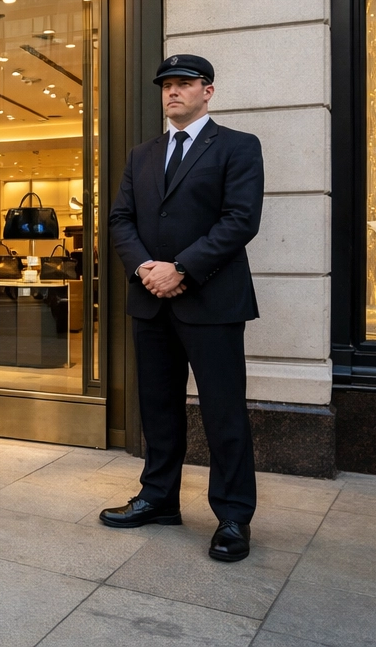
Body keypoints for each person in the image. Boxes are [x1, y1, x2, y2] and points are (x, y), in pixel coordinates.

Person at [103, 54, 265, 564]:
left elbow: (241, 220)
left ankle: (233, 516)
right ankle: (158, 498)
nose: (173, 92)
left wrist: (183, 269)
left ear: (208, 91)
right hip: (150, 302)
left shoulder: (238, 147)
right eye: (167, 85)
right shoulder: (141, 155)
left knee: (223, 412)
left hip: (212, 302)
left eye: (184, 84)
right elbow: (120, 219)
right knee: (158, 408)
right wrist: (147, 269)